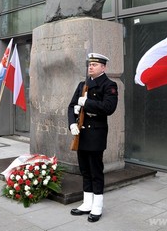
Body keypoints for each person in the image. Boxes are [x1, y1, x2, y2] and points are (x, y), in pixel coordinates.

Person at [67, 53, 118, 223]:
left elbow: (109, 108)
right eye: (90, 64)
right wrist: (71, 124)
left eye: (95, 65)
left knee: (96, 171)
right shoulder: (83, 85)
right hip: (81, 133)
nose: (91, 67)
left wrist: (86, 103)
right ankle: (87, 203)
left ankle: (97, 206)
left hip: (96, 134)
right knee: (85, 170)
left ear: (103, 67)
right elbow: (71, 105)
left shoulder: (109, 85)